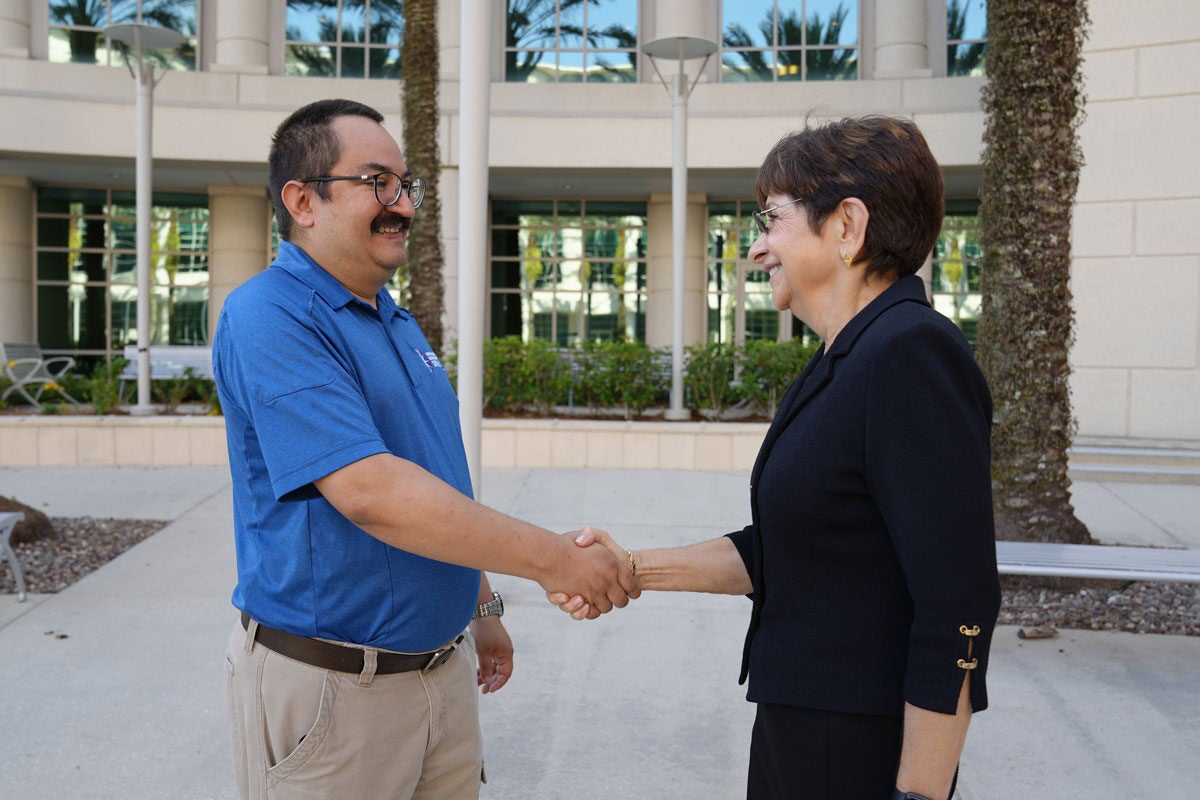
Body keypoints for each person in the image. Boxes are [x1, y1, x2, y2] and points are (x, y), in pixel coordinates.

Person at [553, 116, 1002, 800]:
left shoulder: (910, 353)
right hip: (801, 729)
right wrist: (630, 570)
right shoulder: (843, 359)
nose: (759, 249)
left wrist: (919, 793)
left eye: (772, 220)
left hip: (858, 747)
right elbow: (798, 547)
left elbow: (958, 600)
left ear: (847, 227)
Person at [214, 98, 636, 800]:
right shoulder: (270, 315)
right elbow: (373, 492)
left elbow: (435, 478)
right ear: (302, 201)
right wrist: (556, 561)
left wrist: (481, 609)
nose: (403, 206)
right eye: (377, 182)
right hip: (335, 692)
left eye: (407, 186)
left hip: (440, 676)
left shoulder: (395, 320)